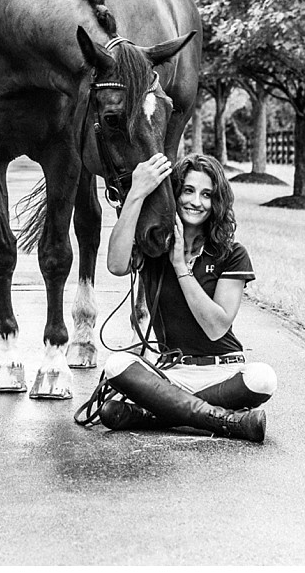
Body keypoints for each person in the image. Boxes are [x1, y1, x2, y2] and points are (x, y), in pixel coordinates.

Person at [98, 151, 276, 442]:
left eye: (207, 194)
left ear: (216, 203)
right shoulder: (155, 247)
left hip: (224, 373)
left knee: (263, 378)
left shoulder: (231, 254)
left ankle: (151, 415)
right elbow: (116, 265)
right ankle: (226, 421)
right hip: (172, 374)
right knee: (116, 364)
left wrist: (181, 266)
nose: (196, 201)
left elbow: (216, 326)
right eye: (189, 190)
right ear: (175, 194)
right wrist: (136, 195)